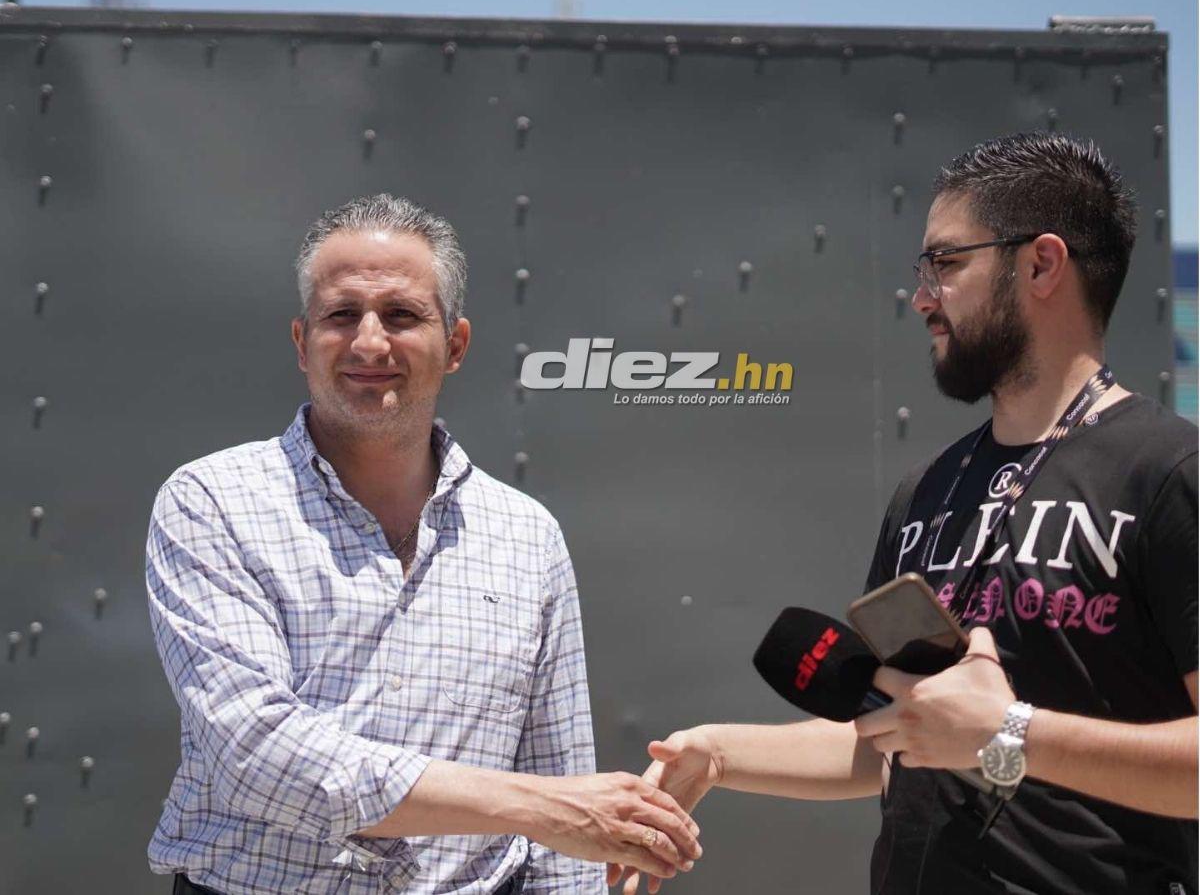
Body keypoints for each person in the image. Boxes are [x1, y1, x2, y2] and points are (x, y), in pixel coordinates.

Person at [612, 133, 1198, 894]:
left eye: (946, 264)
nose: (921, 295)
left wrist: (1013, 735)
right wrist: (718, 754)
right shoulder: (928, 491)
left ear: (1042, 264)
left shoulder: (1169, 472)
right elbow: (896, 737)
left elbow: (987, 735)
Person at [145, 194, 701, 895]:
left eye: (402, 316)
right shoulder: (213, 503)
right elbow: (255, 754)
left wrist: (559, 816)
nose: (370, 342)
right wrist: (536, 808)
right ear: (300, 341)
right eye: (342, 314)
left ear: (457, 345)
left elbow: (561, 798)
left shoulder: (526, 536)